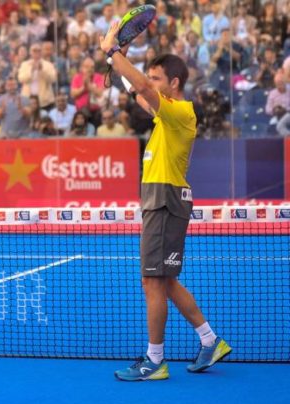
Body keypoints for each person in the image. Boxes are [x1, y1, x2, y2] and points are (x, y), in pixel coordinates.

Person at [99, 23, 231, 381]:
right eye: (151, 76)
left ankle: (154, 361)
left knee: (151, 281)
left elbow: (142, 87)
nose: (151, 82)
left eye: (157, 77)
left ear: (173, 83)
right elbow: (139, 93)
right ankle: (210, 340)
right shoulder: (165, 117)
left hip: (164, 201)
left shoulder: (181, 112)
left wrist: (112, 51)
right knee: (166, 280)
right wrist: (119, 67)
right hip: (161, 201)